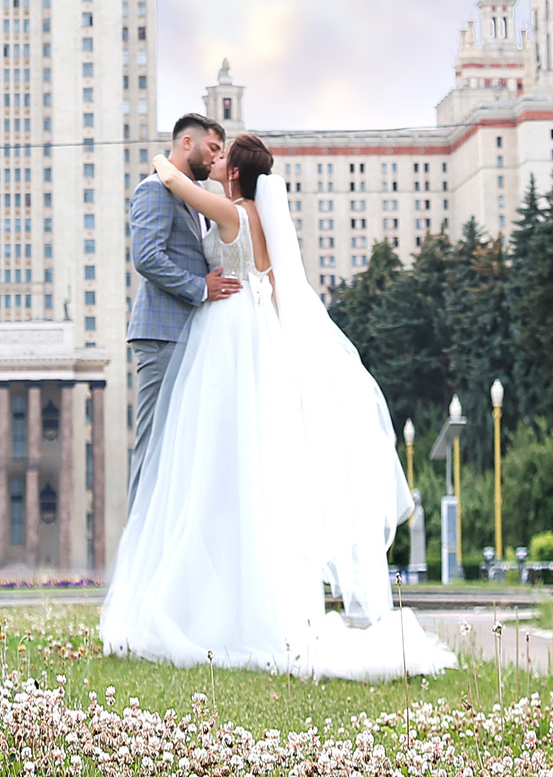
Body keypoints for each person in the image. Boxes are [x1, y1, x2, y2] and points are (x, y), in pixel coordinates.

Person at [101, 129, 454, 679]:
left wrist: (162, 156)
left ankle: (210, 607)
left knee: (209, 461)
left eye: (222, 156)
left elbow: (171, 178)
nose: (214, 161)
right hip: (255, 330)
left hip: (228, 332)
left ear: (236, 173)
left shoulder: (230, 211)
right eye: (210, 152)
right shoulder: (259, 220)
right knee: (250, 470)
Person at [125, 113, 240, 505]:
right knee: (154, 441)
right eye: (212, 149)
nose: (215, 158)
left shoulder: (192, 198)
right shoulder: (155, 190)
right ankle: (138, 542)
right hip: (162, 335)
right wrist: (200, 289)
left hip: (188, 336)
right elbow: (147, 258)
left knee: (180, 448)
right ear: (187, 143)